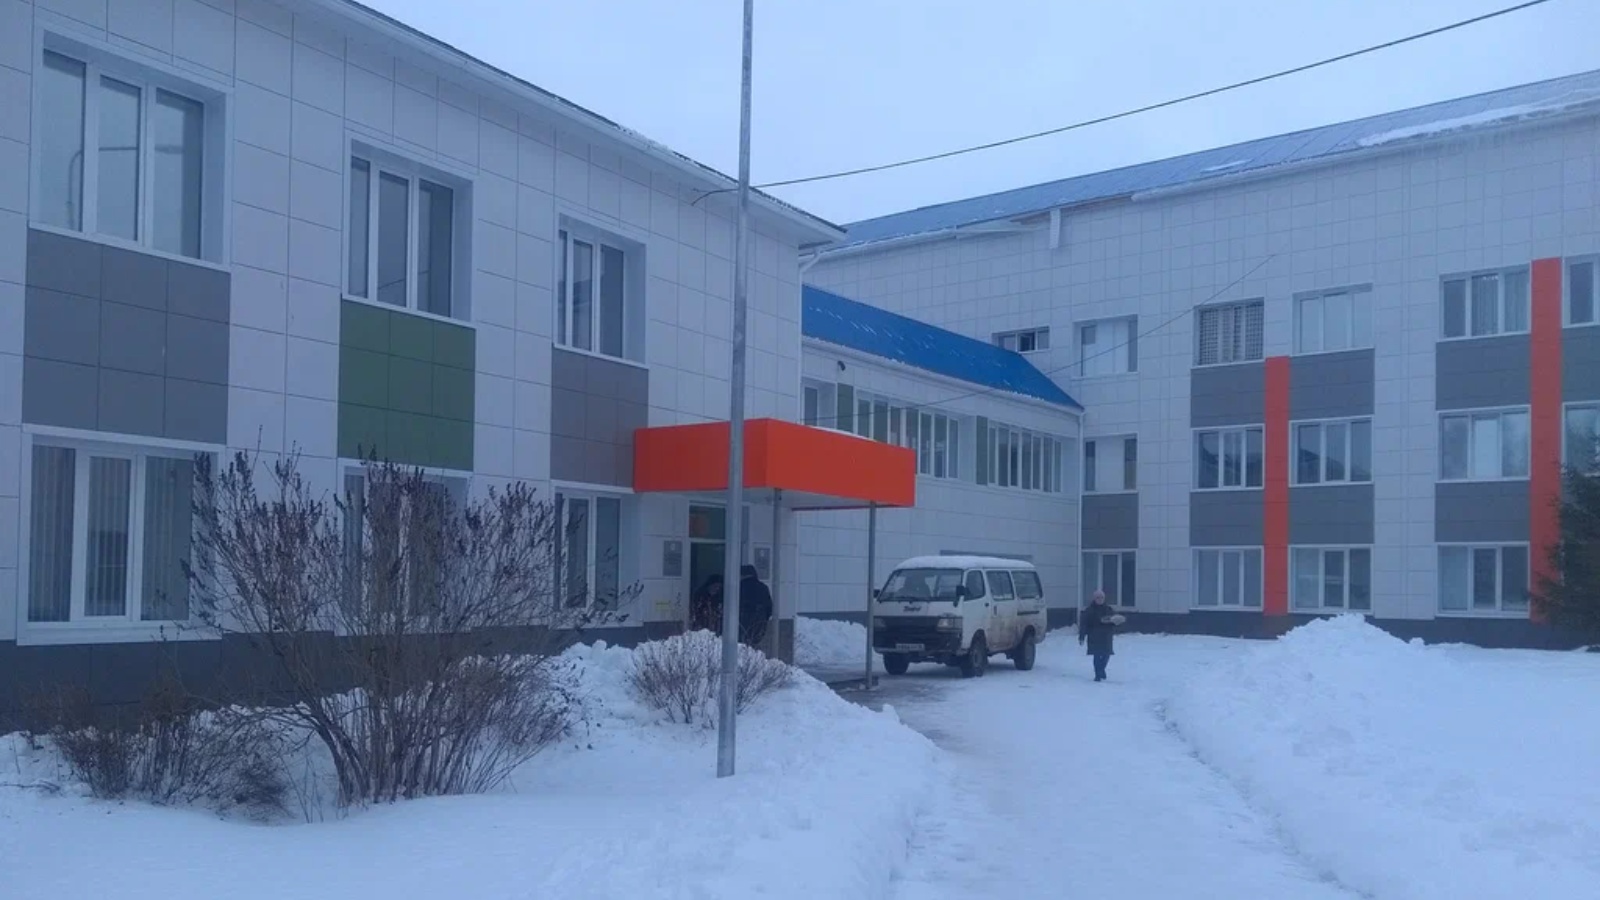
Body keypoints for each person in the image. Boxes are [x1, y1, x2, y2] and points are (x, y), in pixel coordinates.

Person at [1077, 590, 1118, 682]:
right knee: (1097, 655)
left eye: (1101, 598)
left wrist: (1115, 621)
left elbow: (1114, 621)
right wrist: (1081, 637)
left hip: (1106, 636)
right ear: (1094, 599)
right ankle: (1097, 675)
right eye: (1098, 598)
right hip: (1094, 636)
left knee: (1106, 654)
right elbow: (1084, 624)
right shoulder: (1089, 610)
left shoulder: (1108, 609)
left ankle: (1101, 669)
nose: (1100, 599)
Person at [738, 564, 774, 649]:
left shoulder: (739, 587)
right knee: (752, 645)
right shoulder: (763, 587)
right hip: (759, 621)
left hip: (741, 620)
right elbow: (769, 608)